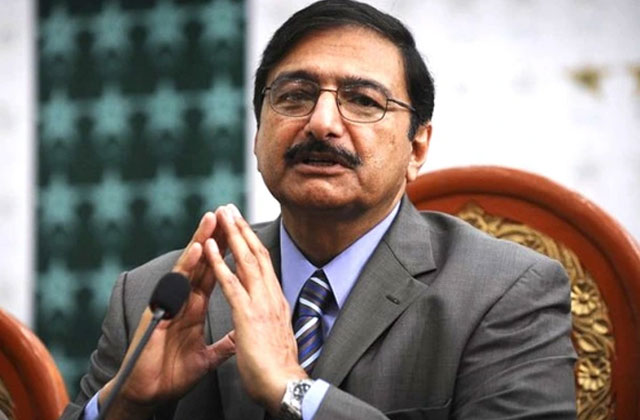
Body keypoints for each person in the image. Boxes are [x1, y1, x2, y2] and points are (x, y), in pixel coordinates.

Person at [60, 1, 577, 419]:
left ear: (417, 148)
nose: (322, 122)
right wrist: (126, 403)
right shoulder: (157, 296)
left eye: (363, 100)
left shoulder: (504, 293)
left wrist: (295, 391)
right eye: (294, 96)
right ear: (258, 134)